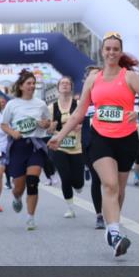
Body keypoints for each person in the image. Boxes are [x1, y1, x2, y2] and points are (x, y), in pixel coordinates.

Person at [50, 33, 139, 258]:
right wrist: (60, 135)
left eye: (116, 49)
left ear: (120, 52)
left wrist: (136, 112)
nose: (111, 53)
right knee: (109, 184)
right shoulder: (93, 79)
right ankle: (115, 234)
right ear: (102, 51)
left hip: (126, 139)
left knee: (119, 189)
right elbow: (79, 112)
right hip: (100, 137)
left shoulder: (131, 77)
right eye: (108, 49)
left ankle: (111, 226)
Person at [0, 70, 53, 230]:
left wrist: (45, 124)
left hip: (35, 145)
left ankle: (30, 217)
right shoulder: (12, 104)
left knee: (32, 182)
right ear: (21, 86)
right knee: (19, 186)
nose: (31, 86)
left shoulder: (41, 104)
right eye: (28, 83)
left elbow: (47, 122)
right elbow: (3, 124)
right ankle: (17, 197)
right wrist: (13, 132)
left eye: (33, 83)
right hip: (18, 147)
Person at [49, 76, 85, 218]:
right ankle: (70, 208)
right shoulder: (52, 107)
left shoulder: (79, 103)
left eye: (67, 83)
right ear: (58, 88)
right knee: (65, 177)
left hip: (77, 147)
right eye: (62, 83)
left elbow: (86, 121)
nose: (64, 85)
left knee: (78, 182)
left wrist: (81, 125)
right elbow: (49, 128)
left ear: (71, 87)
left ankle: (78, 185)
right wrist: (50, 128)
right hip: (60, 147)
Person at [77, 65, 107, 230]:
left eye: (98, 75)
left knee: (111, 182)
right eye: (92, 76)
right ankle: (99, 215)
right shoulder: (82, 100)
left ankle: (112, 211)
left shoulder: (108, 96)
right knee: (97, 179)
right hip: (89, 143)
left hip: (109, 141)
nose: (96, 78)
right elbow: (76, 118)